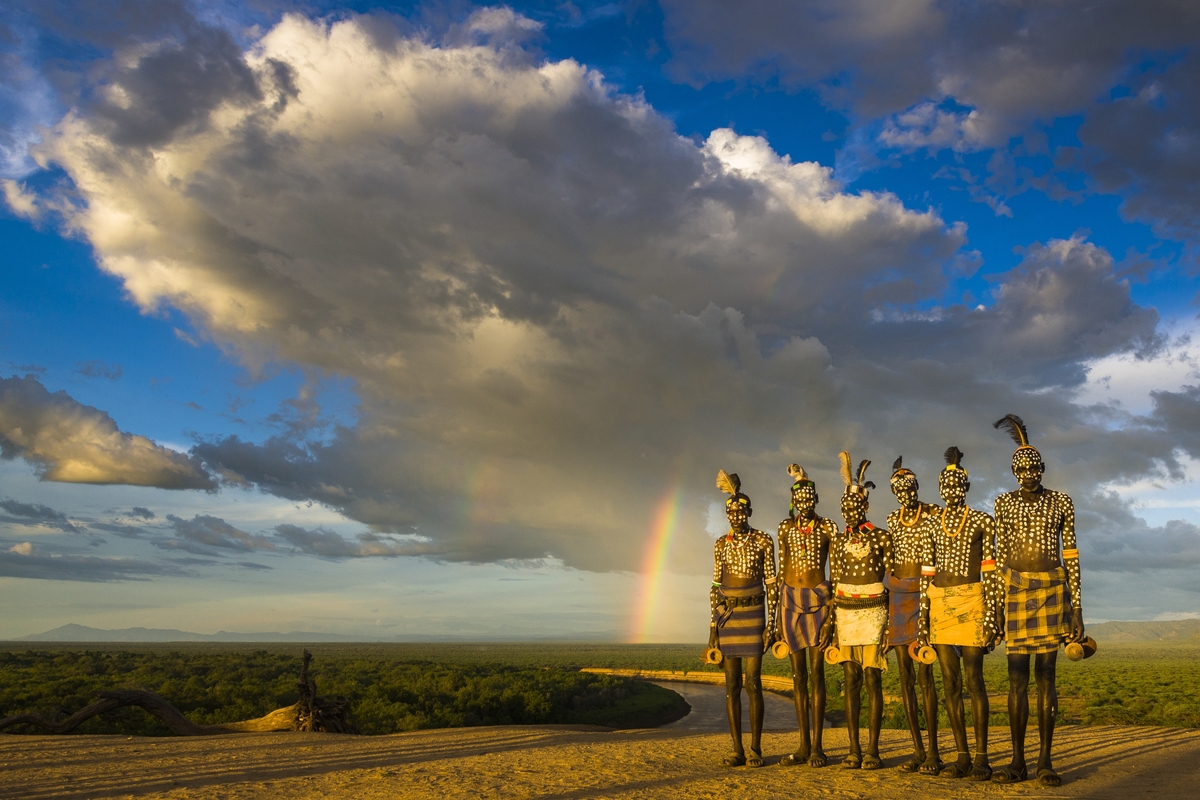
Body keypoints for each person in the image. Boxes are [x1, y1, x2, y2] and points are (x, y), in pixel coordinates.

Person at [991, 415, 1085, 786]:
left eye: (1034, 467)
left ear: (1043, 468)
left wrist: (1077, 607)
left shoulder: (1062, 501)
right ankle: (1017, 761)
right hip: (1015, 590)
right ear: (1014, 471)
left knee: (1046, 676)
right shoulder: (1004, 504)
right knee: (1016, 679)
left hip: (1052, 591)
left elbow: (1072, 554)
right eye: (1022, 468)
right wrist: (998, 606)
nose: (1029, 473)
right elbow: (999, 558)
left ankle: (1045, 761)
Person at [920, 447, 1002, 780]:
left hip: (972, 601)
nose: (950, 489)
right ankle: (962, 756)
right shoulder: (931, 525)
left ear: (966, 487)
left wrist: (992, 615)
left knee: (974, 681)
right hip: (939, 604)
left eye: (956, 484)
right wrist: (923, 619)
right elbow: (926, 575)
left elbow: (992, 571)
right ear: (940, 489)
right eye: (946, 484)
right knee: (950, 684)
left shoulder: (982, 521)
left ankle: (982, 759)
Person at [709, 470, 778, 768]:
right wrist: (713, 629)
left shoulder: (763, 540)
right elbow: (714, 587)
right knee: (731, 684)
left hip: (754, 615)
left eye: (740, 511)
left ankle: (755, 749)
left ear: (749, 512)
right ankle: (737, 749)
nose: (735, 515)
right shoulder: (720, 544)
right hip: (728, 616)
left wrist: (771, 626)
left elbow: (772, 584)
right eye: (731, 511)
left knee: (754, 684)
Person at [827, 452, 891, 770]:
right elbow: (836, 581)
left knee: (872, 678)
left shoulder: (881, 537)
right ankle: (853, 748)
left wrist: (890, 624)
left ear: (864, 505)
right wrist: (832, 626)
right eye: (845, 507)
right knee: (850, 677)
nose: (848, 511)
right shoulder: (838, 541)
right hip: (846, 612)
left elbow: (889, 579)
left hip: (875, 611)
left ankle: (873, 751)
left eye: (853, 506)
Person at [776, 464, 839, 767]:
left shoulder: (828, 527)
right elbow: (780, 572)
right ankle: (802, 745)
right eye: (799, 497)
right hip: (790, 602)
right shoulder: (785, 528)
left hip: (819, 601)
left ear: (816, 498)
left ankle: (817, 747)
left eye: (809, 496)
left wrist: (831, 618)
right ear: (793, 500)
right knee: (798, 677)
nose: (805, 501)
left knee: (817, 675)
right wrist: (777, 619)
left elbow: (836, 575)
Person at [885, 457, 942, 774]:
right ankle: (918, 750)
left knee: (925, 676)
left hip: (926, 596)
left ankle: (934, 752)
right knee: (905, 677)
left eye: (908, 486)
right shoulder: (892, 519)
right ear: (894, 492)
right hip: (898, 598)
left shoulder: (934, 512)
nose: (904, 492)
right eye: (898, 488)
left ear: (917, 486)